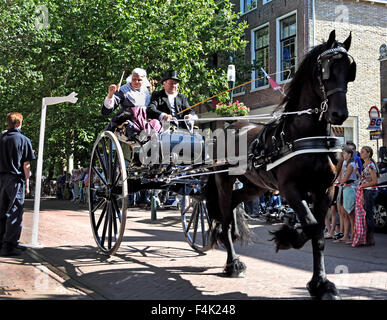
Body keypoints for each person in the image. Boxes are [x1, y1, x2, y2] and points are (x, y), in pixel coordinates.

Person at [0, 112, 35, 256]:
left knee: (1, 211)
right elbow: (26, 166)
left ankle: (2, 242)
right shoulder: (24, 140)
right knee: (15, 211)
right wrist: (27, 183)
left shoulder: (1, 138)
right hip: (15, 179)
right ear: (20, 123)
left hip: (1, 178)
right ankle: (10, 245)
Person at [102, 68, 162, 139]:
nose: (136, 82)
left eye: (139, 80)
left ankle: (153, 136)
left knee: (156, 122)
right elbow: (108, 109)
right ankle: (143, 134)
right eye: (134, 79)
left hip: (145, 119)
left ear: (143, 80)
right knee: (135, 113)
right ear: (131, 78)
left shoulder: (146, 91)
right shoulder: (123, 90)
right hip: (130, 119)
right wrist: (110, 95)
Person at [334, 147, 358, 244]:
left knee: (351, 214)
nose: (343, 155)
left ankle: (353, 235)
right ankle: (345, 235)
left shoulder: (351, 165)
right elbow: (339, 176)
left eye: (344, 153)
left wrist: (340, 178)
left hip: (349, 188)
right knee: (345, 213)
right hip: (344, 188)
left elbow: (343, 179)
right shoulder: (344, 163)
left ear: (349, 154)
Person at [358, 146, 379, 246]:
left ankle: (370, 238)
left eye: (363, 152)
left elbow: (374, 181)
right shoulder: (364, 164)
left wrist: (363, 186)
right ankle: (366, 236)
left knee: (368, 214)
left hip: (370, 191)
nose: (361, 153)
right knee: (365, 213)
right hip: (365, 190)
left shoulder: (370, 165)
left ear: (368, 154)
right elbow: (365, 178)